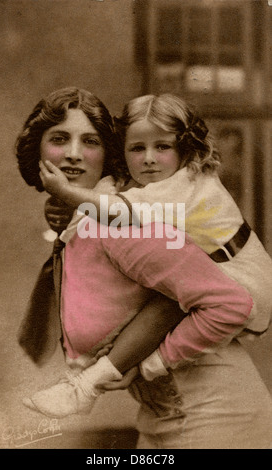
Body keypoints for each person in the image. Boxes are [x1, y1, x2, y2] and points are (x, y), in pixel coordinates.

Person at [16, 87, 272, 449]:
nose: (73, 154)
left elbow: (228, 303)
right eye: (59, 139)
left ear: (107, 154)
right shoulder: (92, 219)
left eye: (90, 141)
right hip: (161, 416)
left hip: (213, 416)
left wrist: (148, 363)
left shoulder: (125, 225)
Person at [40, 93, 272, 342]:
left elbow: (116, 212)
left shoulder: (181, 185)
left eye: (162, 146)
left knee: (155, 327)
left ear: (183, 148)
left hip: (243, 283)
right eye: (138, 148)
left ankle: (135, 366)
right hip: (238, 274)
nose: (149, 158)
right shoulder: (183, 173)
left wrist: (65, 192)